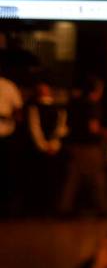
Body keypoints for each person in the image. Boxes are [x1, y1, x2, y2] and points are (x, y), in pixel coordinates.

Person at [59, 76, 107, 217]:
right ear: (96, 90)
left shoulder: (74, 103)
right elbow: (93, 128)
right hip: (89, 147)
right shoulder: (92, 105)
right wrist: (105, 133)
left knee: (73, 178)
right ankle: (104, 209)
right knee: (98, 179)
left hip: (74, 145)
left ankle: (64, 208)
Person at [27, 78, 68, 214]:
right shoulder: (34, 108)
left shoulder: (58, 108)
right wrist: (44, 145)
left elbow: (61, 127)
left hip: (53, 148)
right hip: (41, 149)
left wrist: (54, 144)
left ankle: (52, 207)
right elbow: (35, 128)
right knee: (40, 179)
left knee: (53, 180)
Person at [0, 67, 24, 216]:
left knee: (6, 173)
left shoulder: (9, 86)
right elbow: (18, 112)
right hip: (7, 134)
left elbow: (18, 112)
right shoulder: (9, 86)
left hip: (6, 135)